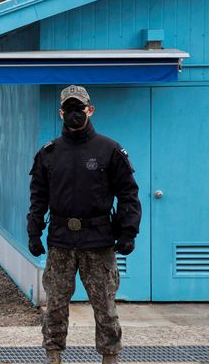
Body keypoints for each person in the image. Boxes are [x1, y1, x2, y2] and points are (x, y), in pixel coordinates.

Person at [27, 85, 141, 364]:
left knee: (105, 307)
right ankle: (54, 356)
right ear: (60, 113)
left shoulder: (110, 150)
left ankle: (110, 357)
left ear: (91, 110)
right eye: (69, 109)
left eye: (80, 109)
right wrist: (34, 231)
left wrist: (129, 231)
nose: (75, 114)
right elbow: (38, 197)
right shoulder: (49, 153)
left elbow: (128, 193)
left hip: (98, 241)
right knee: (55, 305)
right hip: (61, 241)